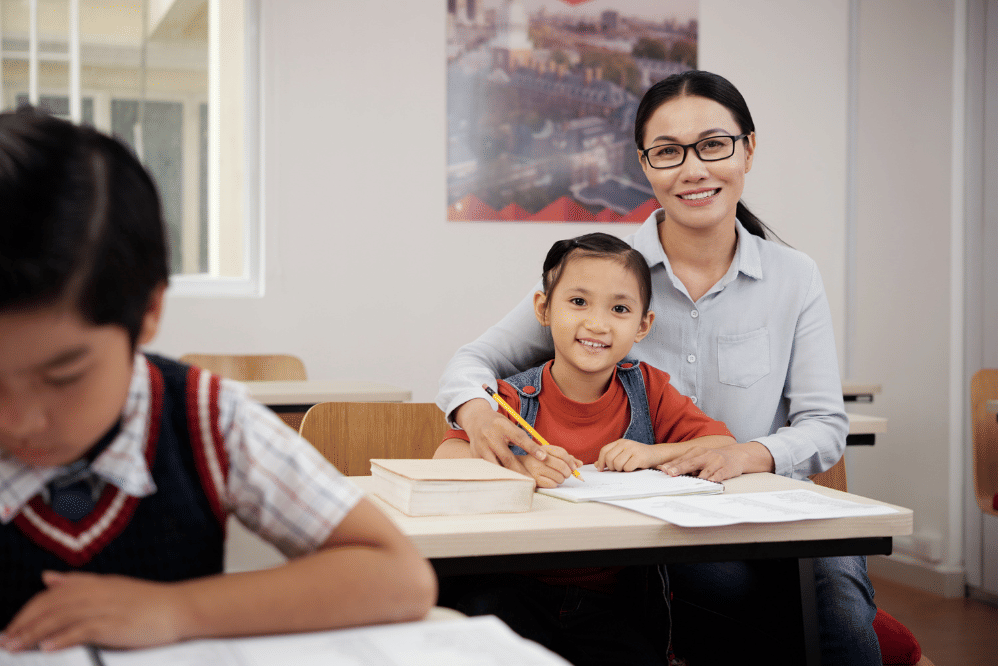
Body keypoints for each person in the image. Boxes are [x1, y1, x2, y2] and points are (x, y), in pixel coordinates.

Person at [436, 71, 880, 665]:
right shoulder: (606, 276)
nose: (693, 169)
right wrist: (478, 415)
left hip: (763, 507)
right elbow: (473, 361)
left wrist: (746, 455)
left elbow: (824, 426)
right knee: (720, 592)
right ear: (645, 165)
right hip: (655, 525)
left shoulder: (794, 277)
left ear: (748, 149)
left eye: (714, 145)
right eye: (668, 152)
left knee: (835, 586)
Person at [0, 108, 436, 653]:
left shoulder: (207, 420)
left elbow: (399, 577)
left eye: (63, 376)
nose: (18, 420)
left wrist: (178, 610)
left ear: (150, 310)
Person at [435, 232, 736, 666]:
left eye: (619, 309)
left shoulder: (648, 389)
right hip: (511, 590)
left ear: (643, 325)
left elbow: (722, 444)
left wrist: (651, 454)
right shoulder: (513, 398)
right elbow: (443, 460)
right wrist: (518, 464)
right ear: (543, 309)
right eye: (578, 302)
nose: (597, 324)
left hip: (612, 602)